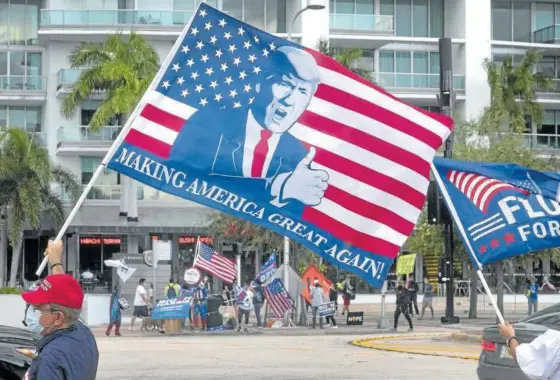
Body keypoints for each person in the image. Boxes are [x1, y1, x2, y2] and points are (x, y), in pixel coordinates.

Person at [169, 45, 328, 210]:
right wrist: (276, 187)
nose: (289, 100)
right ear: (260, 83)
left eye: (302, 92)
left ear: (308, 103)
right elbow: (179, 176)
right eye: (284, 84)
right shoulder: (208, 123)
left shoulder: (298, 156)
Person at [22, 240, 98, 380]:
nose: (33, 311)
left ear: (57, 317)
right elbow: (64, 293)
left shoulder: (50, 360)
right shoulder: (81, 332)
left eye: (38, 308)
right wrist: (55, 261)